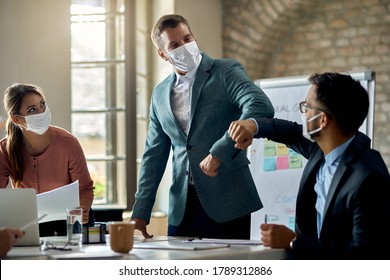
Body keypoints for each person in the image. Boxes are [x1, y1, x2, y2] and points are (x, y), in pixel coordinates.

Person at [130, 14, 274, 239]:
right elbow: (154, 155)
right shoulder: (159, 94)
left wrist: (220, 151)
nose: (185, 47)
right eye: (175, 45)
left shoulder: (225, 71)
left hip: (228, 202)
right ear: (162, 54)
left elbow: (259, 105)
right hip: (181, 208)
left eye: (187, 39)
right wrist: (140, 211)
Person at [228, 72, 390, 259]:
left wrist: (294, 241)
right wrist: (253, 125)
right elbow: (290, 133)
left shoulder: (369, 177)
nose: (303, 113)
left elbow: (365, 257)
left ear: (322, 120)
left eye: (306, 107)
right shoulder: (322, 149)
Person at [0, 83, 94, 236]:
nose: (42, 112)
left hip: (69, 222)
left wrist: (82, 209)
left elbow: (84, 188)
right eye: (32, 109)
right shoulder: (5, 150)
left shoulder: (68, 143)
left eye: (42, 104)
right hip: (29, 224)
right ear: (16, 119)